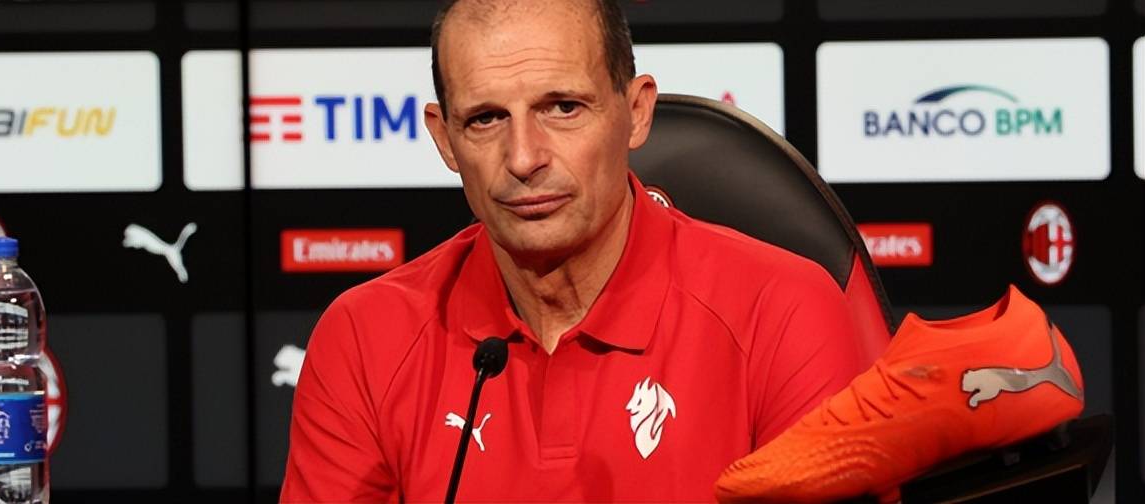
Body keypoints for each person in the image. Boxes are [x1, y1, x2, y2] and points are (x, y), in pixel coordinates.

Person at [281, 0, 863, 501]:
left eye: (563, 107)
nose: (523, 158)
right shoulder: (365, 338)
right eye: (486, 119)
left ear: (636, 112)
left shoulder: (782, 313)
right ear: (445, 140)